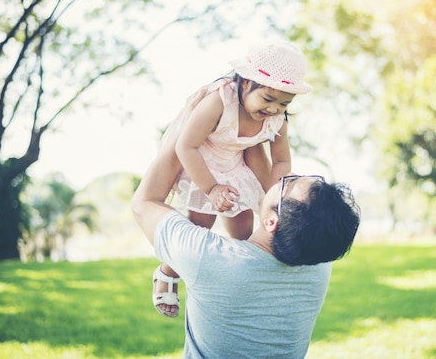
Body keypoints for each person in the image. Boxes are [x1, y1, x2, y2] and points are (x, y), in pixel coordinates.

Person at [131, 155, 361, 358]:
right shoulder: (317, 263)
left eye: (288, 183)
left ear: (272, 222)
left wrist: (185, 136)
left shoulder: (211, 260)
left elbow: (144, 203)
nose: (286, 175)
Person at [151, 40, 312, 318]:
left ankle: (246, 280)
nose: (274, 109)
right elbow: (185, 146)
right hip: (203, 161)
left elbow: (282, 160)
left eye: (284, 103)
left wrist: (277, 196)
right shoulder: (219, 102)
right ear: (246, 83)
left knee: (244, 227)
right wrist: (212, 189)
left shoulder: (277, 119)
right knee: (200, 225)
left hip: (237, 164)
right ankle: (167, 272)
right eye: (268, 99)